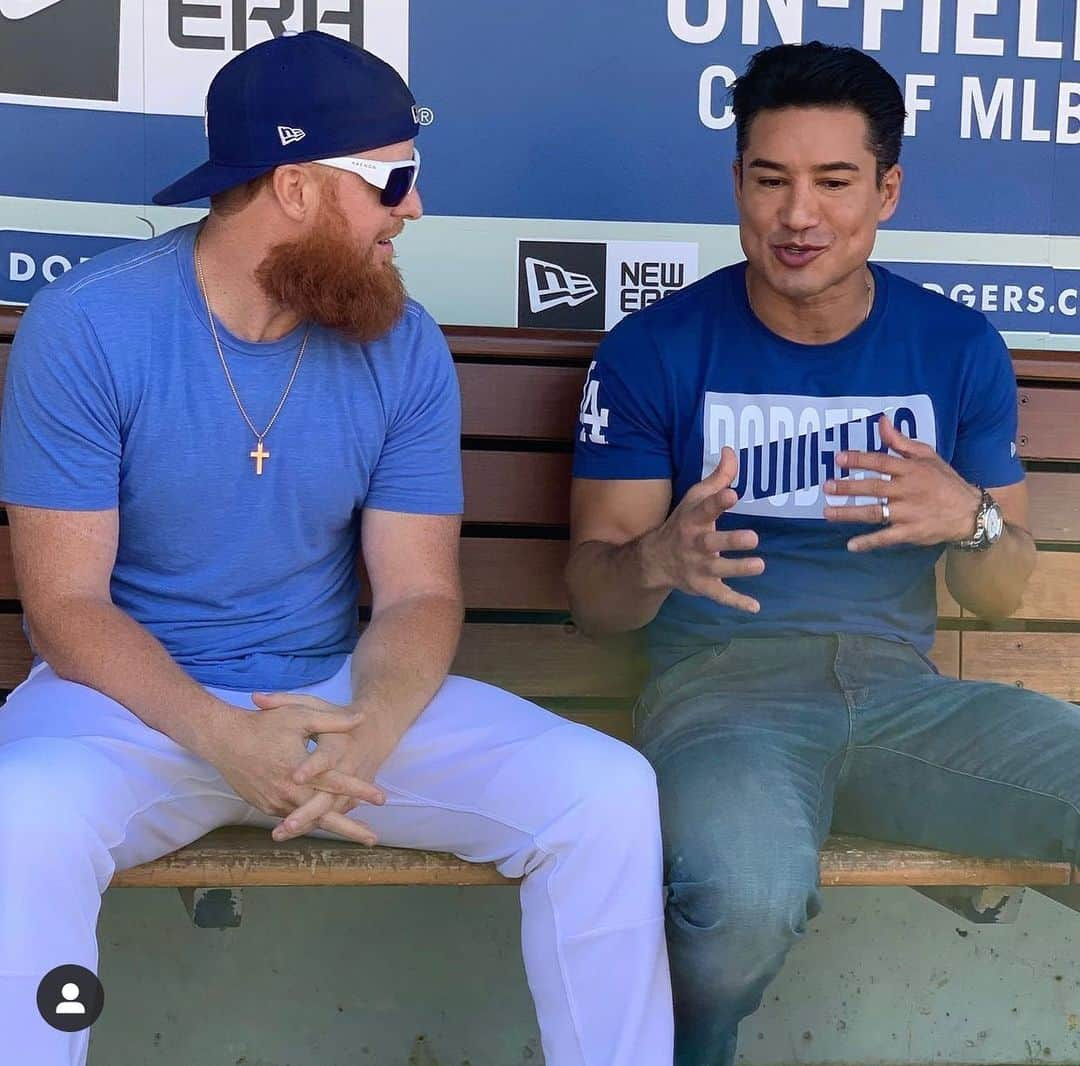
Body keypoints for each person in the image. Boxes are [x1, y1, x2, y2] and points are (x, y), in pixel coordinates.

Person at [0, 31, 673, 1066]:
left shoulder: (400, 341)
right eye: (393, 179)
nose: (415, 208)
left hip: (334, 704)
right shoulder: (89, 326)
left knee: (607, 793)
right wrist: (225, 739)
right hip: (133, 713)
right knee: (19, 815)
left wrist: (369, 725)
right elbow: (67, 609)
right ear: (296, 187)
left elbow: (417, 594)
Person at [566, 40, 1077, 1066]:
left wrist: (970, 516)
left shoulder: (954, 347)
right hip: (726, 696)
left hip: (904, 699)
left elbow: (1005, 593)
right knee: (740, 903)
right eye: (771, 179)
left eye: (834, 181)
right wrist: (658, 559)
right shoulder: (656, 349)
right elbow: (592, 597)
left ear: (886, 190)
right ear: (737, 184)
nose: (799, 214)